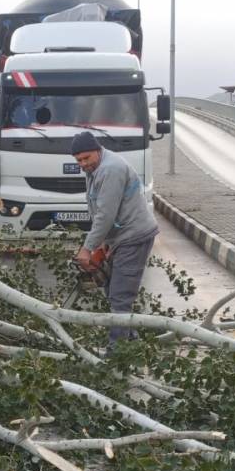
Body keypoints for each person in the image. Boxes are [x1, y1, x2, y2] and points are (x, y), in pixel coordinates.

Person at [70, 131, 159, 345]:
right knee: (112, 290)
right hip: (120, 237)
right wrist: (102, 244)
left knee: (120, 298)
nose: (83, 164)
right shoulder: (95, 168)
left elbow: (106, 215)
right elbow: (98, 208)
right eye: (79, 160)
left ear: (97, 151)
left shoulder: (110, 169)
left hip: (133, 237)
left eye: (86, 158)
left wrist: (87, 248)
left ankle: (116, 356)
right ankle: (133, 344)